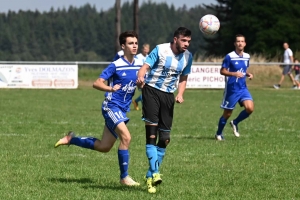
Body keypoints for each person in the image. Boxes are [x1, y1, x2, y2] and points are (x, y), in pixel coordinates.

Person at [54, 30, 142, 186]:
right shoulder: (116, 65)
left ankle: (71, 139)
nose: (134, 46)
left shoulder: (140, 65)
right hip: (111, 106)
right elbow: (97, 83)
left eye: (136, 43)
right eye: (130, 43)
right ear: (123, 46)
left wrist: (142, 85)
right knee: (127, 138)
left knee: (104, 146)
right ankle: (124, 177)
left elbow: (142, 84)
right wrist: (110, 89)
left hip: (122, 109)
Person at [136, 27, 193, 193]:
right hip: (151, 91)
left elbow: (183, 78)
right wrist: (140, 76)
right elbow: (145, 67)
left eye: (189, 41)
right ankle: (155, 173)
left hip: (168, 96)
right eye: (184, 40)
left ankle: (149, 176)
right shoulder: (160, 49)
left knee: (165, 139)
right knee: (152, 136)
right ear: (175, 39)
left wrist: (180, 93)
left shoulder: (188, 57)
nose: (186, 44)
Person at [215, 34, 254, 141]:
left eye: (242, 41)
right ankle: (218, 134)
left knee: (250, 108)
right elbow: (222, 71)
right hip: (232, 89)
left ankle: (235, 122)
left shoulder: (247, 56)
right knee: (227, 114)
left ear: (245, 43)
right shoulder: (229, 56)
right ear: (235, 43)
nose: (240, 43)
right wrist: (233, 74)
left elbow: (244, 69)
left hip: (243, 88)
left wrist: (248, 74)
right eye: (238, 41)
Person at [132, 43, 150, 110]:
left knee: (146, 92)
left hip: (147, 76)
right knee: (145, 92)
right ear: (142, 49)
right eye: (145, 49)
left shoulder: (148, 57)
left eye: (147, 49)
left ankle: (136, 101)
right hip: (140, 76)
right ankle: (144, 107)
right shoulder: (138, 57)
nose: (146, 51)